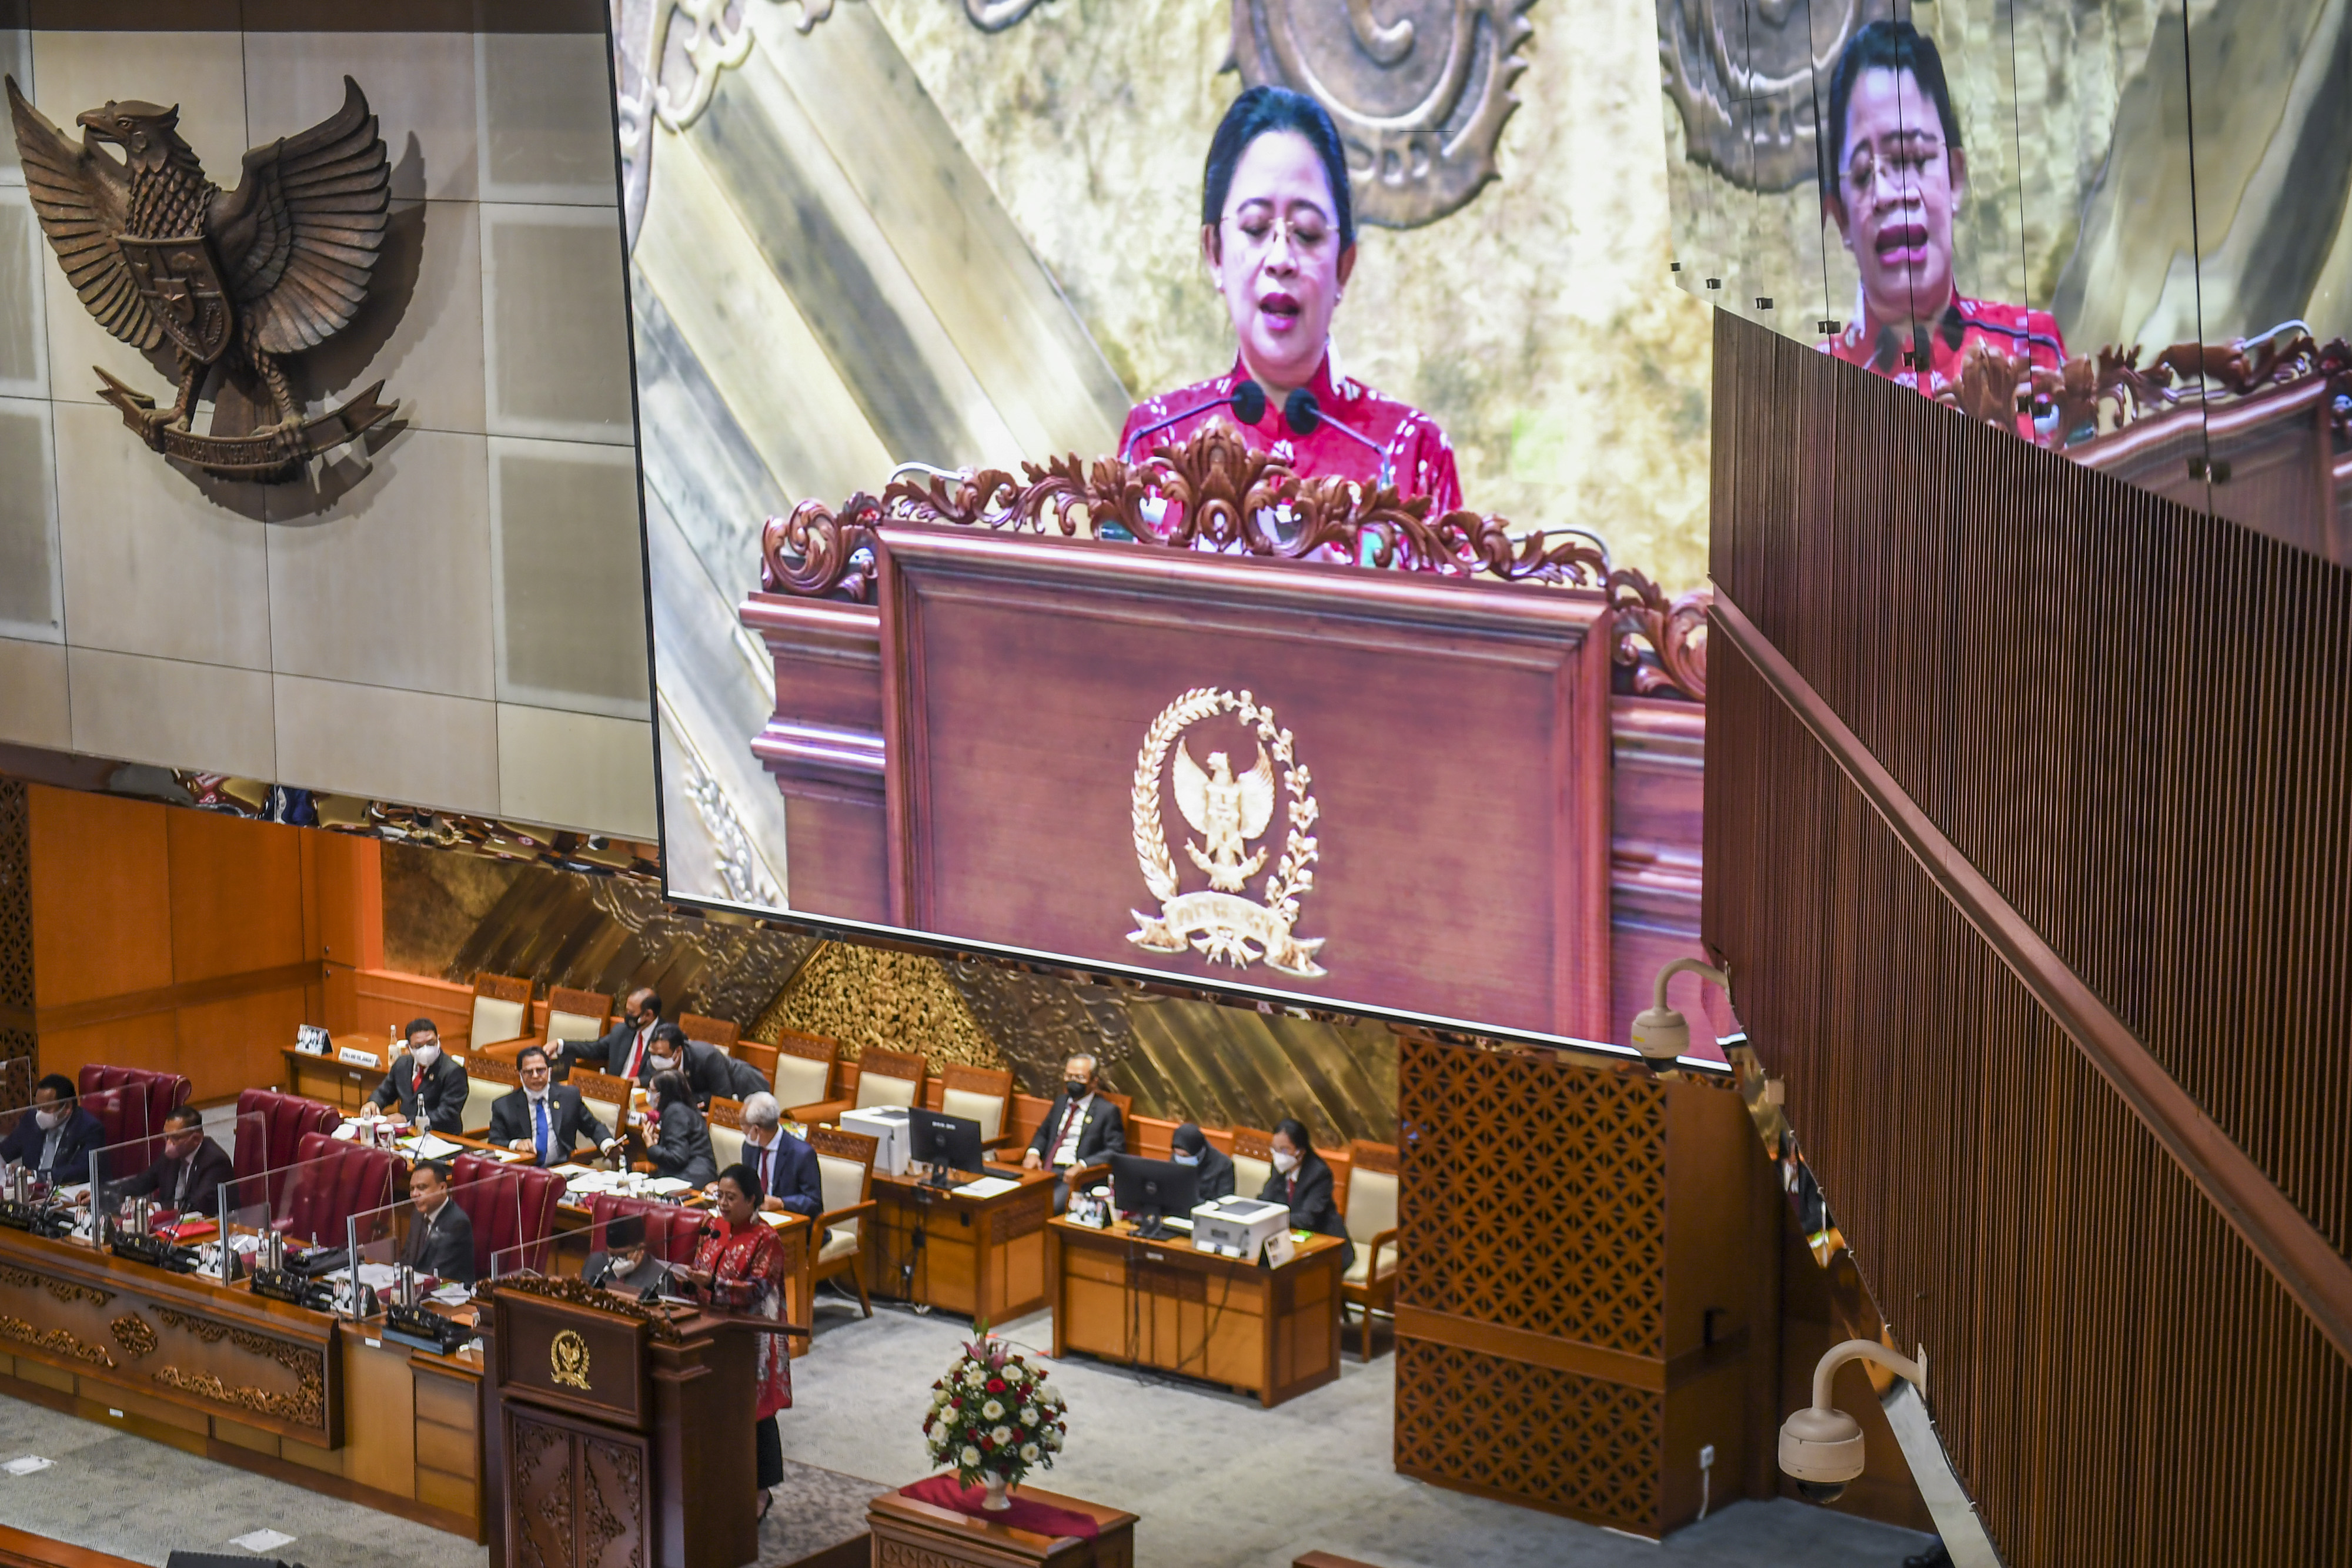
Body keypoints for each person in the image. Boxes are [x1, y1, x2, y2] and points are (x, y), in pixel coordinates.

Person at [1120, 85, 1463, 526]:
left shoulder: (1411, 453)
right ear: (1215, 253)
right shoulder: (1156, 442)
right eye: (1255, 228)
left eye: (1307, 233)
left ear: (1343, 266)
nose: (1281, 259)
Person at [1816, 19, 2065, 433]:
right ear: (1841, 218)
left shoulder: (2033, 348)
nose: (1886, 194)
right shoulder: (1813, 391)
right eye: (1862, 175)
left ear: (1955, 178)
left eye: (1912, 159)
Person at [674, 1164, 794, 1519]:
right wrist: (688, 1280)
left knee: (755, 1414)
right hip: (709, 1329)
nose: (723, 1204)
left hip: (750, 1338)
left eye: (731, 1197)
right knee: (716, 1406)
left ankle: (761, 1492)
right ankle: (723, 1481)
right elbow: (702, 1269)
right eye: (720, 1196)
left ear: (752, 1199)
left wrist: (713, 1284)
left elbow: (758, 1289)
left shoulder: (766, 1239)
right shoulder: (714, 1227)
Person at [1022, 1054, 1125, 1213]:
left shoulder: (1107, 1111)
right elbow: (1043, 1133)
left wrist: (1083, 1165)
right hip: (1046, 1171)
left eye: (1080, 1077)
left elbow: (1115, 1150)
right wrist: (1033, 1153)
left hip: (1075, 1177)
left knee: (1043, 1207)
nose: (1073, 1081)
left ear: (1094, 1081)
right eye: (1069, 1076)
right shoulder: (1060, 1102)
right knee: (1012, 1199)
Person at [488, 1045, 620, 1166]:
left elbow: (593, 1127)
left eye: (540, 1070)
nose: (535, 1076)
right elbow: (494, 1141)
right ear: (520, 1075)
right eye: (529, 1072)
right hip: (526, 1171)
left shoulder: (569, 1096)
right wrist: (515, 1144)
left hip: (563, 1169)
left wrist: (607, 1144)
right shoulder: (504, 1106)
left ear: (550, 1071)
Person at [1257, 1118, 1353, 1273]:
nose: (1278, 1155)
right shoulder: (1279, 1168)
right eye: (1274, 1149)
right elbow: (1265, 1199)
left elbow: (1307, 1219)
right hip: (1290, 1242)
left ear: (1300, 1152)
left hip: (1325, 1244)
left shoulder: (1318, 1174)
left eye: (1284, 1150)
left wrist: (1273, 1220)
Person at [102, 1105, 232, 1219]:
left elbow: (196, 1204)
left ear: (196, 1139)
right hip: (170, 1224)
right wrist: (109, 1190)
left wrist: (155, 1207)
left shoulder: (215, 1162)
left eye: (175, 1137)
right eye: (166, 1136)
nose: (169, 1143)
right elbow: (144, 1181)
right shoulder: (171, 1156)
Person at [367, 1018, 469, 1134]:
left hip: (439, 1136)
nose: (426, 1050)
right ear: (409, 1048)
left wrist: (409, 1120)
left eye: (431, 1043)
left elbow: (446, 1114)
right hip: (407, 1134)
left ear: (438, 1040)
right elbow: (385, 1092)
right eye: (418, 1046)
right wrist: (374, 1102)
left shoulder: (454, 1072)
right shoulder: (402, 1065)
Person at [0, 1075, 105, 1186]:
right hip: (31, 1191)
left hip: (65, 1191)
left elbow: (82, 1171)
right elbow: (6, 1150)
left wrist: (36, 1175)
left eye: (46, 1108)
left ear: (67, 1107)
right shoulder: (31, 1119)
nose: (40, 1114)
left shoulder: (89, 1128)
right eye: (38, 1107)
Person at [736, 1093, 823, 1218]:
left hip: (790, 1220)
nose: (742, 1129)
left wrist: (782, 1203)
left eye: (743, 1124)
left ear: (756, 1129)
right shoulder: (750, 1148)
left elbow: (814, 1202)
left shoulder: (802, 1154)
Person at [641, 1023, 763, 1107]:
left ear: (678, 1051)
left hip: (746, 1087)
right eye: (652, 1053)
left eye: (661, 1055)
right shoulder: (653, 1064)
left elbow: (722, 1096)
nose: (655, 1059)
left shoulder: (707, 1057)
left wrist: (689, 1101)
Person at [556, 988, 663, 1082]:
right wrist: (561, 1045)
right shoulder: (622, 1031)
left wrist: (641, 1081)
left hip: (645, 1095)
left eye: (631, 1012)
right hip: (615, 1089)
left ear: (648, 1015)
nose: (627, 1016)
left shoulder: (666, 1038)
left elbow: (669, 1074)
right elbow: (594, 1049)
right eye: (627, 1010)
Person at [399, 1161, 476, 1286]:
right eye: (412, 1189)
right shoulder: (417, 1215)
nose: (415, 1194)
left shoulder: (457, 1223)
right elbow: (406, 1259)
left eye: (422, 1188)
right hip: (419, 1288)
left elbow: (440, 1272)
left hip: (448, 1291)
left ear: (442, 1188)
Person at [642, 1069, 719, 1186]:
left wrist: (651, 1147)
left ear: (663, 1094)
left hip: (693, 1176)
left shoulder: (675, 1112)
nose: (649, 1094)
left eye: (652, 1091)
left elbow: (677, 1158)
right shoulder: (680, 1109)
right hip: (692, 1173)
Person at [584, 1212, 670, 1296]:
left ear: (641, 1249)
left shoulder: (660, 1277)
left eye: (622, 1255)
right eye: (612, 1255)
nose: (616, 1261)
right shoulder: (593, 1263)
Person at [1168, 1122, 1235, 1202]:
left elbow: (1225, 1201)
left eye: (1185, 1156)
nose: (1181, 1159)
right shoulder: (1176, 1158)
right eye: (1178, 1155)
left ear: (1198, 1153)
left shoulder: (1223, 1165)